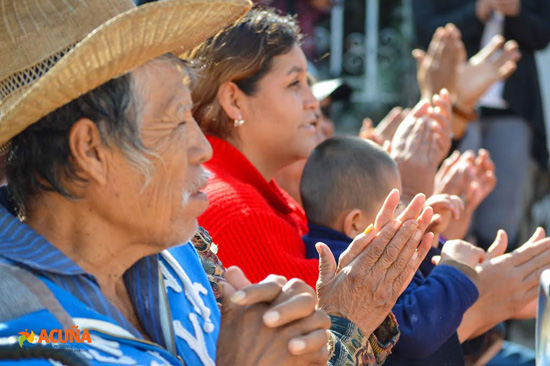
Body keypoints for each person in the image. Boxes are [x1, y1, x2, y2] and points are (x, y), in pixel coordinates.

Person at [0, 0, 364, 365]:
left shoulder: (176, 249)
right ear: (91, 150)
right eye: (175, 120)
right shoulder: (24, 337)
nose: (203, 148)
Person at [189, 7, 439, 363]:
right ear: (233, 100)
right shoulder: (237, 209)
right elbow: (342, 345)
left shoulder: (254, 193)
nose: (313, 101)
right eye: (294, 84)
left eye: (308, 82)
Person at [300, 135, 550, 365]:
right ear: (355, 223)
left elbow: (415, 294)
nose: (402, 217)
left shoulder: (335, 246)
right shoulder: (351, 269)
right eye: (397, 207)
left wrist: (428, 243)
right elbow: (412, 326)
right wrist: (456, 269)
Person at [412, 0, 550, 250]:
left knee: (501, 219)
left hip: (513, 108)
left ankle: (491, 270)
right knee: (452, 206)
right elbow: (427, 31)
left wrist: (515, 12)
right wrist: (477, 11)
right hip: (454, 102)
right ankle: (451, 271)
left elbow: (542, 33)